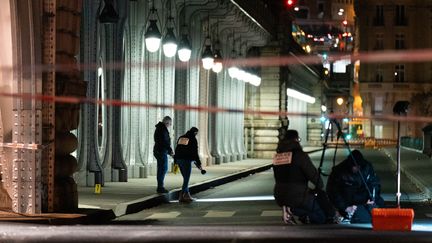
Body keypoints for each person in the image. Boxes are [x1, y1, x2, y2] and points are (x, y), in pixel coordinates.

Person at [273, 128, 339, 224]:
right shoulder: (300, 156)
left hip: (280, 195)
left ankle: (295, 211)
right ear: (296, 140)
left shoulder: (278, 156)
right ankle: (301, 213)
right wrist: (319, 185)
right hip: (298, 196)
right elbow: (313, 175)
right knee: (321, 214)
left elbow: (278, 178)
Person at [326, 149, 384, 223]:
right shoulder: (339, 171)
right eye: (355, 166)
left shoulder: (367, 167)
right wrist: (345, 207)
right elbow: (333, 192)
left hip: (364, 200)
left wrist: (372, 199)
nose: (357, 168)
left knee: (380, 203)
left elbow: (374, 184)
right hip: (347, 201)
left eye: (359, 166)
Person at [174, 127, 201, 203]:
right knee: (186, 179)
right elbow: (195, 153)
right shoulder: (193, 139)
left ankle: (187, 195)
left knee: (185, 178)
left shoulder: (181, 138)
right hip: (186, 161)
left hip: (179, 160)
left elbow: (177, 149)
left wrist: (175, 162)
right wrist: (199, 163)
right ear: (195, 133)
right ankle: (181, 195)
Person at [153, 116, 174, 193]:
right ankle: (160, 187)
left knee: (161, 168)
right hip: (161, 151)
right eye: (170, 124)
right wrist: (170, 151)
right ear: (167, 123)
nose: (170, 126)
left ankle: (160, 186)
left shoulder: (159, 128)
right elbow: (164, 142)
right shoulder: (162, 129)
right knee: (163, 169)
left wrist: (169, 151)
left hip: (159, 150)